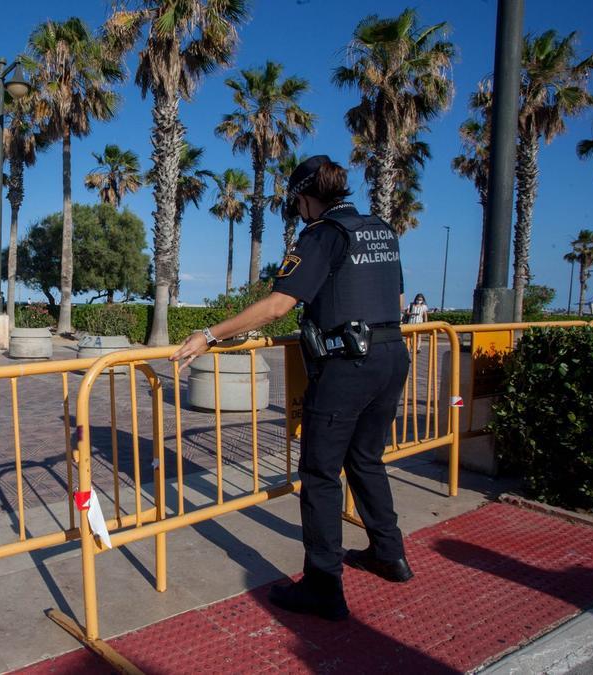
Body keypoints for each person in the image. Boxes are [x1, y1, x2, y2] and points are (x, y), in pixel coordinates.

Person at [170, 155, 412, 621]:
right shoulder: (380, 229)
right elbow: (396, 299)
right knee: (365, 459)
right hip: (391, 356)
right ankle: (389, 553)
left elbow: (279, 305)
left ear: (304, 198)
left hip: (348, 365)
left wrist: (209, 335)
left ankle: (323, 585)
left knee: (320, 473)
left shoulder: (321, 235)